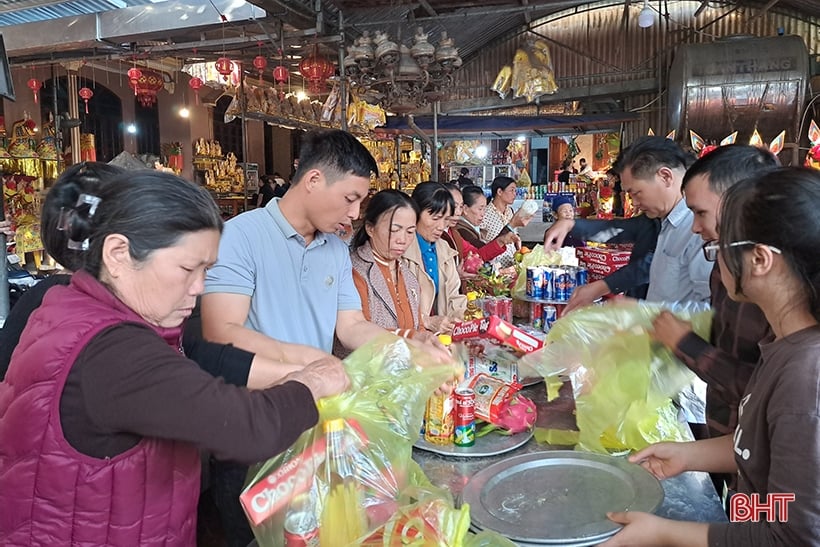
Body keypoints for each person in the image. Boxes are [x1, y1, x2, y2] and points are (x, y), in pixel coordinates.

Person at [0, 170, 350, 546]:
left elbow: (202, 358)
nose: (199, 288)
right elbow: (247, 428)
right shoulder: (113, 351)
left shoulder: (79, 305)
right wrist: (311, 384)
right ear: (118, 254)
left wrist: (292, 369)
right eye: (187, 269)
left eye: (206, 271)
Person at [201, 131, 450, 544]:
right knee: (250, 532)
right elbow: (221, 330)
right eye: (351, 198)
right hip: (253, 419)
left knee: (309, 529)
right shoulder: (240, 236)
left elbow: (350, 325)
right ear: (314, 180)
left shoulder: (333, 249)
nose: (354, 214)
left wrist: (407, 346)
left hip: (315, 417)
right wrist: (310, 364)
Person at [602, 167, 820, 546]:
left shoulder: (807, 376)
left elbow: (793, 537)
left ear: (761, 260)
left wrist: (664, 533)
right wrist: (688, 456)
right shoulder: (783, 345)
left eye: (722, 247)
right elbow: (760, 447)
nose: (714, 258)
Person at [649, 144, 778, 492]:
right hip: (728, 443)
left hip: (765, 469)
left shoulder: (784, 304)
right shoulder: (724, 267)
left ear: (743, 203)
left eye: (700, 213)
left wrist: (684, 342)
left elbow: (765, 390)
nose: (694, 228)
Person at [544, 136, 709, 312]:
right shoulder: (665, 219)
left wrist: (640, 310)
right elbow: (618, 229)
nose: (634, 203)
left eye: (636, 193)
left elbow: (710, 310)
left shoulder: (700, 229)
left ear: (665, 176)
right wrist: (570, 225)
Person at [348, 189, 425, 339]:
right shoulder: (355, 270)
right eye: (394, 230)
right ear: (370, 228)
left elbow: (419, 328)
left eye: (410, 232)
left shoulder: (408, 276)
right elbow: (357, 335)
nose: (402, 239)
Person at [403, 181, 467, 332]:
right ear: (415, 212)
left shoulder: (444, 249)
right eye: (435, 218)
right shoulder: (400, 251)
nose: (441, 227)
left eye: (445, 219)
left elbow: (453, 295)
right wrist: (426, 321)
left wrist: (460, 318)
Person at [454, 184, 521, 263]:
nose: (483, 214)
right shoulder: (462, 231)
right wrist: (510, 226)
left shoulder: (471, 228)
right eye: (480, 209)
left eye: (484, 209)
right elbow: (483, 252)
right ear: (465, 209)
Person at [480, 175, 531, 266]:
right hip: (494, 267)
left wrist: (519, 248)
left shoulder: (510, 211)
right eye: (511, 190)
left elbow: (514, 235)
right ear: (499, 191)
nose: (514, 194)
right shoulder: (484, 214)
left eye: (515, 191)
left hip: (512, 264)